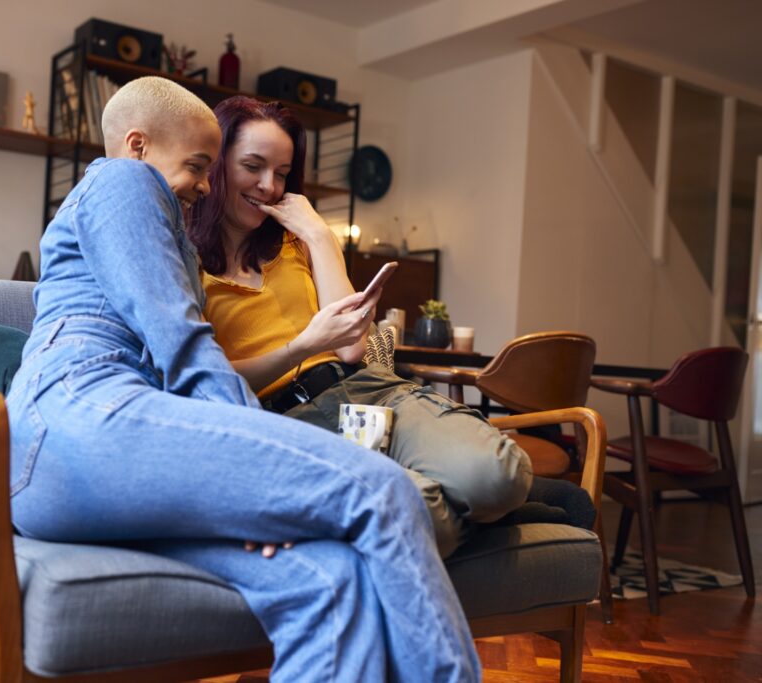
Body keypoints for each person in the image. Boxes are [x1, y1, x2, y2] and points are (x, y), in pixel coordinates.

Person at [6, 77, 480, 682]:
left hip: (90, 472)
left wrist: (246, 489)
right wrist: (254, 469)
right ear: (138, 145)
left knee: (330, 580)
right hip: (77, 419)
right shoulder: (122, 179)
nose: (206, 185)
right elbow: (180, 341)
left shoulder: (165, 223)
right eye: (197, 165)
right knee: (385, 491)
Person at [188, 96, 533, 559]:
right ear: (216, 163)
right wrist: (303, 346)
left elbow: (353, 349)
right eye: (253, 166)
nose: (269, 186)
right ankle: (468, 512)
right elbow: (206, 381)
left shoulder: (297, 240)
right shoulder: (182, 259)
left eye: (283, 173)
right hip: (285, 423)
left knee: (497, 477)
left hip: (365, 392)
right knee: (408, 510)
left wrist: (319, 234)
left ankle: (438, 507)